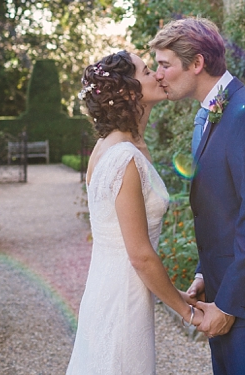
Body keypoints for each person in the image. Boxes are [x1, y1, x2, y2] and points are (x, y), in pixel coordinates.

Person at [150, 17, 245, 375]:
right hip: (222, 291)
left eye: (164, 65)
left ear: (197, 63)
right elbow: (224, 209)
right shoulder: (208, 114)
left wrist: (230, 306)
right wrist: (206, 274)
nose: (158, 75)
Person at [67, 50, 204, 375]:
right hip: (122, 301)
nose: (158, 74)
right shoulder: (124, 158)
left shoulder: (106, 147)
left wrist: (175, 293)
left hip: (107, 290)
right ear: (129, 91)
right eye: (146, 71)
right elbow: (140, 255)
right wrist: (189, 314)